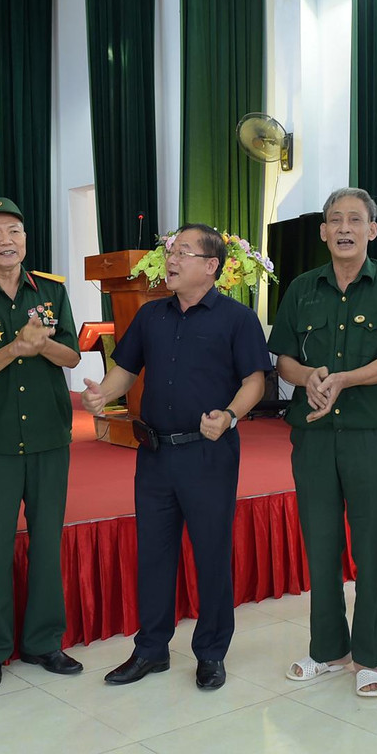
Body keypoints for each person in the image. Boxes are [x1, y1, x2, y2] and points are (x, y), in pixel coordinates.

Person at [81, 224, 269, 690]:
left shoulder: (237, 318)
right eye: (170, 250)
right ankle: (151, 650)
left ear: (210, 266)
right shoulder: (150, 317)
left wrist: (228, 415)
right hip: (155, 454)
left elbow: (255, 382)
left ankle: (210, 652)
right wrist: (101, 395)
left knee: (210, 555)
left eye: (183, 251)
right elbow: (125, 371)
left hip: (208, 454)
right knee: (155, 554)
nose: (171, 258)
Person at [270, 188, 377, 697]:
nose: (344, 228)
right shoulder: (301, 288)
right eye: (335, 219)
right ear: (322, 231)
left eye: (355, 220)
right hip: (312, 435)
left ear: (372, 230)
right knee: (320, 542)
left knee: (371, 544)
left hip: (369, 434)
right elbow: (284, 360)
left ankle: (372, 655)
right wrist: (310, 374)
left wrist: (345, 379)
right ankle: (327, 650)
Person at [0, 197, 83, 691]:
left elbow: (71, 355)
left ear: (26, 240)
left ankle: (45, 641)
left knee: (48, 541)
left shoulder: (51, 290)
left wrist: (41, 344)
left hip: (49, 435)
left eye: (16, 232)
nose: (8, 241)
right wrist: (16, 348)